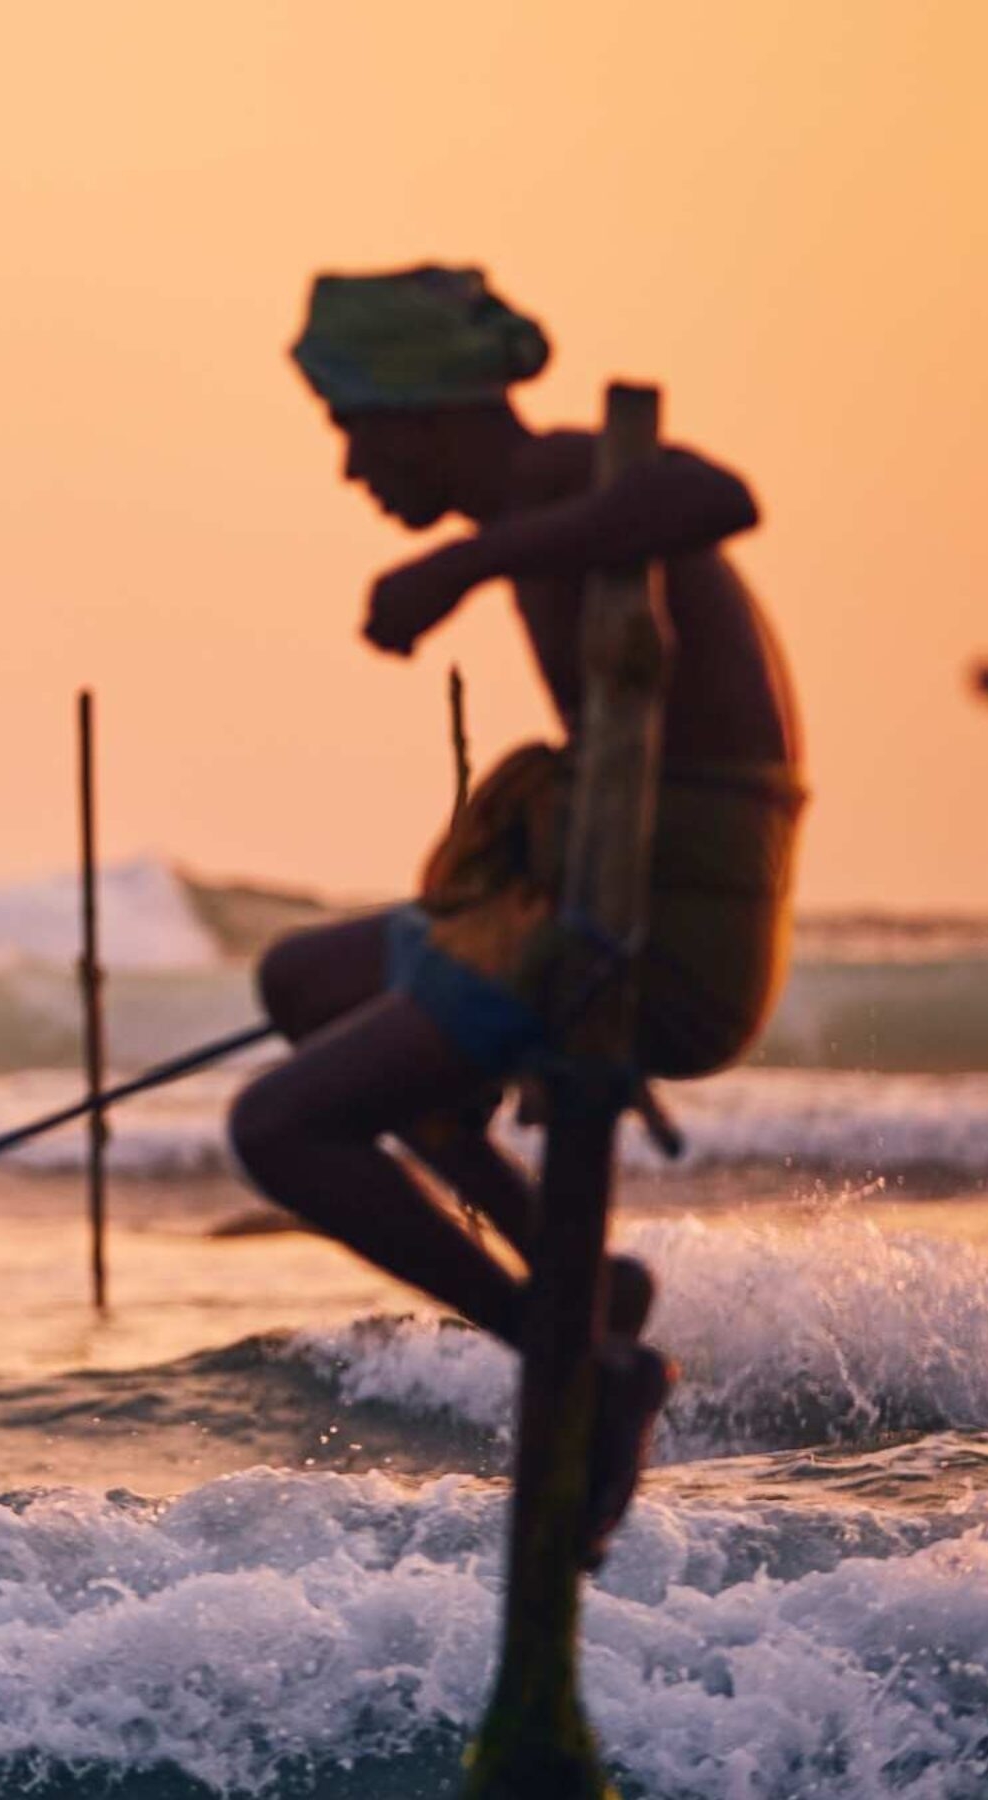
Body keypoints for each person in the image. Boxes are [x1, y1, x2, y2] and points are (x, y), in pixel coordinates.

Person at [227, 267, 805, 1556]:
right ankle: (573, 1274)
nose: (348, 470)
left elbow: (719, 496)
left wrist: (462, 563)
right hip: (594, 894)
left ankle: (572, 1355)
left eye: (353, 430)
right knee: (299, 984)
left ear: (425, 412)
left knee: (278, 1125)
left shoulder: (563, 480)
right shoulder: (555, 509)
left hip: (663, 931)